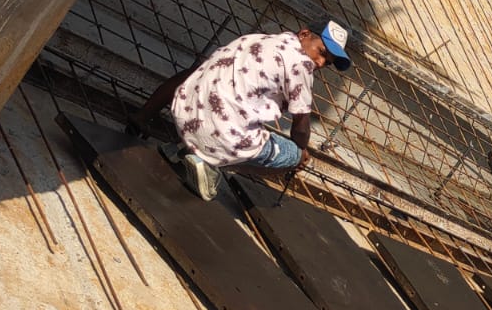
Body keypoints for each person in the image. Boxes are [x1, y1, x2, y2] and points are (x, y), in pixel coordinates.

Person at [128, 18, 352, 199]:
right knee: (293, 154)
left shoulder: (258, 39)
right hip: (222, 135)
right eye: (322, 52)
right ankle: (208, 163)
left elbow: (194, 76)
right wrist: (301, 151)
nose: (320, 63)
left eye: (328, 63)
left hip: (184, 112)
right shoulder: (300, 64)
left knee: (195, 76)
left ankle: (158, 130)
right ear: (304, 34)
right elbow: (300, 127)